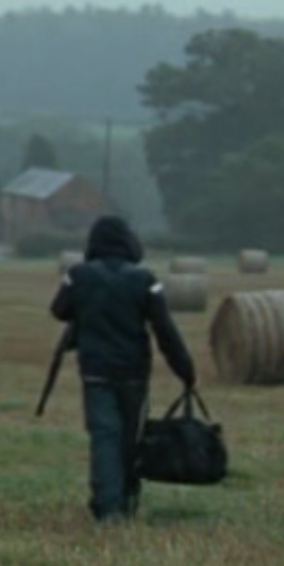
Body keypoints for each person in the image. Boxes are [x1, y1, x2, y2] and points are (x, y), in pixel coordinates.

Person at [49, 215, 196, 523]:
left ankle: (107, 507)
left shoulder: (78, 275)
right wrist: (185, 369)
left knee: (104, 436)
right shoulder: (145, 280)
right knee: (131, 438)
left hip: (95, 372)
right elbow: (165, 330)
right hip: (133, 372)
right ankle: (127, 500)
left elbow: (59, 310)